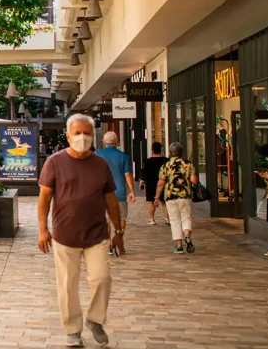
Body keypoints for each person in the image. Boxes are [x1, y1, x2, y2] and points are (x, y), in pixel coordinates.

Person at [38, 113, 119, 348]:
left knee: (102, 278)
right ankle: (73, 331)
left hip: (97, 235)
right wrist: (43, 230)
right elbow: (44, 198)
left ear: (94, 137)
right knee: (67, 284)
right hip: (65, 235)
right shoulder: (54, 162)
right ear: (68, 135)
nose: (82, 137)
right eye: (77, 133)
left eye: (87, 133)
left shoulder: (100, 164)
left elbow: (110, 199)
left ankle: (95, 319)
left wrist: (119, 231)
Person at [94, 131, 134, 255]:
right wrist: (132, 191)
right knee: (121, 217)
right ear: (117, 142)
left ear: (104, 142)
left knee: (106, 219)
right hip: (119, 191)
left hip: (101, 192)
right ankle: (117, 240)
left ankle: (108, 246)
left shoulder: (96, 155)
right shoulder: (123, 156)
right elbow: (127, 175)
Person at [154, 143, 197, 255]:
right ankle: (187, 235)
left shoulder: (166, 165)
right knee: (186, 217)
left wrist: (157, 197)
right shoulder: (188, 164)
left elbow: (161, 183)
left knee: (174, 220)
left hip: (170, 196)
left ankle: (179, 246)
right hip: (185, 195)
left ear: (170, 152)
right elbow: (193, 180)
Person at [139, 142, 169, 226]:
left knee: (151, 201)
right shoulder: (166, 160)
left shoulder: (148, 161)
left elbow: (144, 172)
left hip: (150, 183)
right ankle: (166, 218)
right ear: (161, 150)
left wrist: (142, 181)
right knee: (164, 201)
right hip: (164, 183)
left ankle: (151, 219)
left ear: (152, 150)